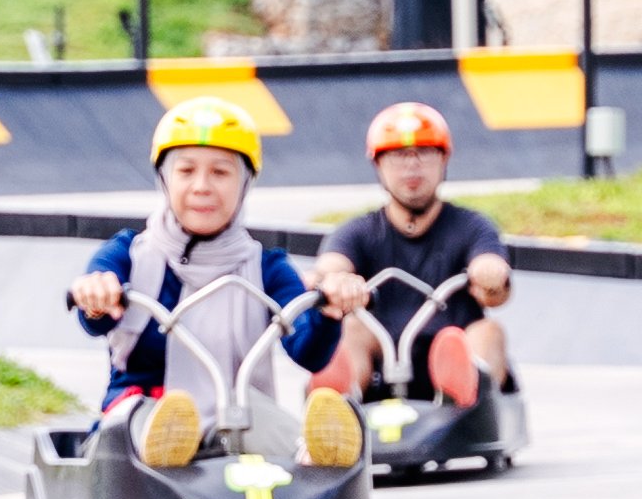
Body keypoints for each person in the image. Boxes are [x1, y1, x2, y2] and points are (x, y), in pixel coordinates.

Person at [68, 96, 366, 468]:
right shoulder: (128, 253)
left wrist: (329, 313)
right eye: (187, 171)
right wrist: (96, 295)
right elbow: (96, 314)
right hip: (145, 404)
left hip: (233, 409)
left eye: (221, 173)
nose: (202, 186)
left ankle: (318, 459)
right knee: (149, 424)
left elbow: (307, 350)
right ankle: (167, 451)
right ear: (165, 179)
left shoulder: (266, 267)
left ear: (244, 184)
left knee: (275, 433)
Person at [311, 102, 514, 408]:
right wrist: (331, 282)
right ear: (378, 164)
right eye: (397, 155)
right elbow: (329, 267)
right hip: (381, 357)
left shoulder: (472, 226)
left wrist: (490, 274)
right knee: (349, 328)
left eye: (425, 153)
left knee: (488, 331)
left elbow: (493, 279)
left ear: (444, 159)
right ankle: (337, 401)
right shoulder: (357, 232)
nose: (412, 165)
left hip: (451, 346)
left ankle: (466, 395)